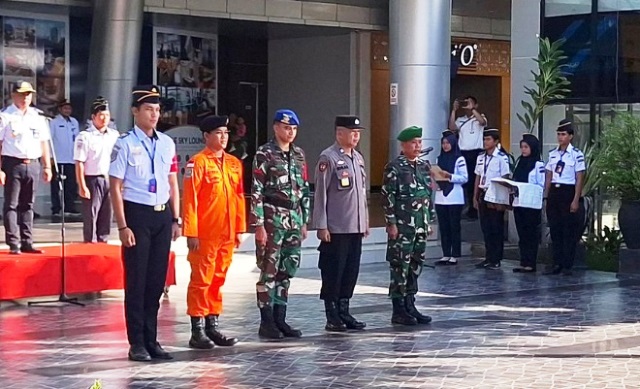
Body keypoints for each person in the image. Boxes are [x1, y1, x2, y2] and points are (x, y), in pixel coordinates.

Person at [109, 85, 181, 362]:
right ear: (135, 111)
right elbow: (115, 186)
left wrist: (176, 217)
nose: (154, 114)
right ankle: (136, 342)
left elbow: (172, 181)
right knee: (137, 281)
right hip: (137, 215)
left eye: (157, 109)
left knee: (155, 282)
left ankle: (152, 339)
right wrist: (123, 226)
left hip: (163, 216)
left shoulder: (166, 142)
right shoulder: (125, 143)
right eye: (149, 109)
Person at [182, 115, 245, 349]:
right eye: (218, 133)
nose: (224, 137)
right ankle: (197, 329)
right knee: (201, 280)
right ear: (206, 136)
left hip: (226, 233)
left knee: (218, 279)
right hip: (205, 234)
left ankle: (212, 325)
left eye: (226, 133)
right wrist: (191, 232)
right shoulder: (197, 163)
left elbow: (239, 197)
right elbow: (190, 200)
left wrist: (239, 228)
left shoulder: (233, 163)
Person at [251, 109, 310, 339]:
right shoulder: (265, 154)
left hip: (293, 218)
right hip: (272, 218)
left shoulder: (299, 155)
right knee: (269, 271)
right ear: (276, 128)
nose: (290, 132)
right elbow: (256, 190)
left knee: (287, 270)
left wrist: (304, 220)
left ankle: (280, 319)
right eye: (286, 128)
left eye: (294, 129)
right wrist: (258, 225)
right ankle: (266, 322)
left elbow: (304, 188)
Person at [313, 115, 369, 332]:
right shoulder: (328, 158)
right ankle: (332, 314)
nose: (356, 136)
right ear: (339, 133)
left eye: (358, 133)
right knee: (333, 271)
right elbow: (321, 194)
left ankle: (345, 310)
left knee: (350, 271)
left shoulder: (358, 158)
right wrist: (321, 225)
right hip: (336, 228)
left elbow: (361, 194)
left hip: (354, 227)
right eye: (351, 132)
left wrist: (363, 222)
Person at [381, 126, 433, 326]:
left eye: (419, 142)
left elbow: (428, 195)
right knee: (399, 267)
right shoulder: (394, 167)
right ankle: (399, 309)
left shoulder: (423, 166)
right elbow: (387, 197)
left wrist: (429, 219)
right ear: (403, 145)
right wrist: (391, 223)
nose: (417, 146)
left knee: (415, 265)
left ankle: (411, 304)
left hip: (420, 225)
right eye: (413, 142)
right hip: (402, 227)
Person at [0, 81, 52, 254]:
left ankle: (27, 241)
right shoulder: (5, 116)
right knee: (12, 204)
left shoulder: (37, 117)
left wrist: (47, 166)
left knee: (28, 205)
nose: (25, 98)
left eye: (28, 94)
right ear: (13, 95)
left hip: (33, 163)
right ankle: (14, 242)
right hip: (12, 163)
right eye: (22, 94)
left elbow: (43, 142)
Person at [543, 119, 586, 276]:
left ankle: (568, 264)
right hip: (555, 191)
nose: (560, 137)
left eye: (563, 134)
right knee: (555, 229)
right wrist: (546, 194)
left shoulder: (576, 155)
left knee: (568, 230)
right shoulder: (553, 154)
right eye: (559, 134)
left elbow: (579, 177)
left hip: (568, 192)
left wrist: (576, 199)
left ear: (570, 136)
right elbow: (549, 174)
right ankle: (557, 263)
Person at [74, 97, 119, 243]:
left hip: (110, 179)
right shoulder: (85, 136)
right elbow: (79, 162)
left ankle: (103, 242)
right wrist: (82, 186)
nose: (104, 118)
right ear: (93, 117)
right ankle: (90, 243)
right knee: (91, 215)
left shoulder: (114, 135)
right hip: (92, 179)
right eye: (101, 115)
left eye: (106, 115)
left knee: (107, 214)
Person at [473, 128, 510, 270]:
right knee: (486, 227)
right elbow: (478, 176)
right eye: (484, 139)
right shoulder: (481, 157)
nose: (485, 142)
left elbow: (505, 177)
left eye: (488, 139)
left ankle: (496, 258)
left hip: (495, 194)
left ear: (495, 141)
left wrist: (502, 199)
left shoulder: (501, 157)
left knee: (496, 227)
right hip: (483, 192)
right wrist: (475, 196)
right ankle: (488, 257)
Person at [433, 130, 468, 266]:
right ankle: (446, 253)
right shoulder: (439, 159)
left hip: (455, 196)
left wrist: (450, 176)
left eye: (448, 143)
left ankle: (455, 254)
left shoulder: (459, 159)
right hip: (441, 196)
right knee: (444, 226)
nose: (445, 146)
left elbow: (464, 178)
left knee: (454, 226)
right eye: (443, 143)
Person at [449, 96, 487, 219]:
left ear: (476, 105)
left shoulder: (479, 117)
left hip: (476, 153)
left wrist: (473, 110)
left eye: (470, 103)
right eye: (465, 103)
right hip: (463, 153)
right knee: (464, 180)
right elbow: (452, 128)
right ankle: (465, 207)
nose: (467, 105)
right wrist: (454, 110)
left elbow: (483, 122)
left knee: (475, 181)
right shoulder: (461, 119)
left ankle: (474, 208)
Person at [512, 133, 545, 273]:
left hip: (531, 205)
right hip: (519, 203)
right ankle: (523, 261)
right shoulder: (520, 162)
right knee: (522, 234)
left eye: (526, 147)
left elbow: (541, 184)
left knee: (531, 234)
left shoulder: (538, 164)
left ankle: (531, 263)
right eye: (522, 147)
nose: (523, 150)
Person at [49, 99, 80, 216]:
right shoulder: (54, 122)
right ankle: (56, 208)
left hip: (71, 159)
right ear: (60, 109)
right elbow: (49, 140)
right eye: (65, 108)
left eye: (69, 108)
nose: (67, 110)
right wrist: (51, 157)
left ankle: (69, 207)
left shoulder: (74, 122)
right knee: (56, 186)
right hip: (58, 159)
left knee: (71, 185)